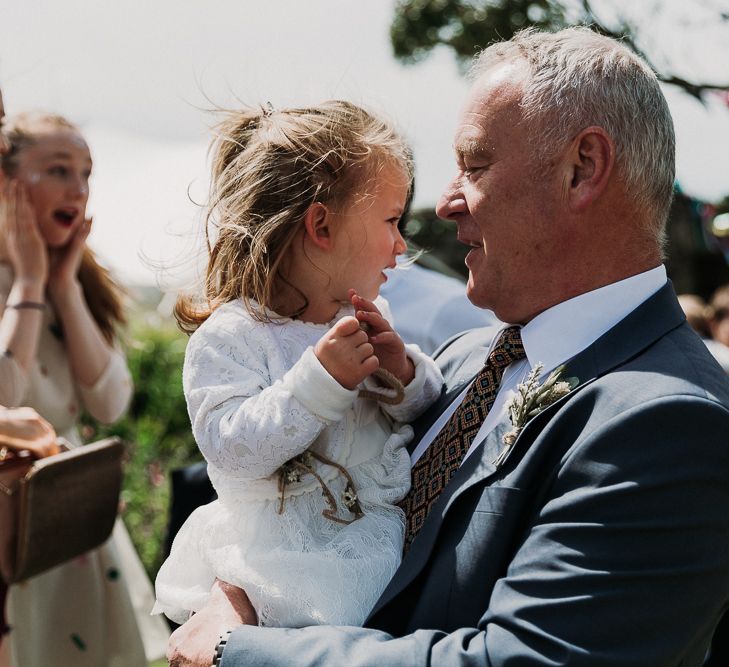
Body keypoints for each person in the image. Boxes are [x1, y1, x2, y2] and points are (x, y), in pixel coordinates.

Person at [168, 27, 729, 667]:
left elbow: (519, 661)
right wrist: (239, 588)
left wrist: (237, 648)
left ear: (582, 170)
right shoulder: (462, 361)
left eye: (475, 165)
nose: (447, 203)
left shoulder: (670, 423)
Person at [154, 101, 443, 629]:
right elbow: (232, 450)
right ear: (322, 227)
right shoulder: (232, 337)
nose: (401, 245)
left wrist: (402, 373)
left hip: (374, 535)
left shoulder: (368, 317)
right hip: (280, 563)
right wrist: (319, 384)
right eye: (391, 221)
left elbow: (420, 413)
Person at [0, 111, 168, 665]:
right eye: (57, 170)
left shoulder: (80, 279)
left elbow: (110, 402)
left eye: (86, 173)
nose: (78, 188)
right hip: (8, 531)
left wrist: (64, 286)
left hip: (71, 523)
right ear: (7, 184)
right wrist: (25, 282)